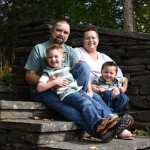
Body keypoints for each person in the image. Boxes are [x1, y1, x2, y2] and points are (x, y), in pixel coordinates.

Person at [24, 20, 133, 142]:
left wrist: (90, 91)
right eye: (58, 30)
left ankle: (115, 124)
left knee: (92, 96)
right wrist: (50, 82)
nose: (61, 34)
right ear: (52, 31)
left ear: (68, 35)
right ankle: (101, 132)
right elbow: (29, 76)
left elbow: (82, 71)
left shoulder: (69, 51)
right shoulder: (39, 49)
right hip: (44, 91)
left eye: (65, 32)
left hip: (66, 89)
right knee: (73, 109)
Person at [74, 26, 133, 139]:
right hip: (87, 89)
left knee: (123, 97)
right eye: (87, 38)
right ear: (83, 40)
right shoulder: (77, 52)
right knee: (95, 97)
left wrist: (118, 88)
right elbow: (73, 72)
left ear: (98, 40)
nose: (91, 40)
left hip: (107, 91)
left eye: (93, 38)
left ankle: (113, 122)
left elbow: (118, 74)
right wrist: (90, 85)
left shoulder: (104, 57)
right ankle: (117, 126)